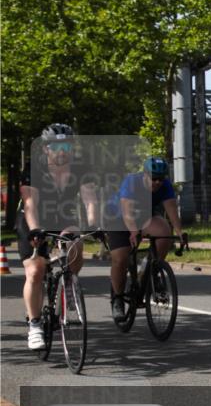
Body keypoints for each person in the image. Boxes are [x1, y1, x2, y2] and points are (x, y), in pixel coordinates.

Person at [14, 123, 99, 350]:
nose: (63, 151)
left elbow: (90, 198)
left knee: (75, 243)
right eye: (57, 146)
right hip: (33, 218)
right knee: (35, 270)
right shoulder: (34, 168)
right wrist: (35, 230)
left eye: (67, 146)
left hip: (63, 214)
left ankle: (68, 283)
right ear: (46, 149)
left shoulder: (81, 167)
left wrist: (94, 223)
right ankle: (34, 325)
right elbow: (31, 204)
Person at [105, 156, 185, 322]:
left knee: (164, 232)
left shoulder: (165, 186)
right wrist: (133, 232)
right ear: (145, 176)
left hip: (144, 216)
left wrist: (179, 233)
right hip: (118, 218)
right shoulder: (132, 182)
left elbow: (171, 211)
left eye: (161, 179)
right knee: (121, 258)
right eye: (154, 179)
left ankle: (151, 270)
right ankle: (118, 299)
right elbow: (127, 212)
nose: (157, 183)